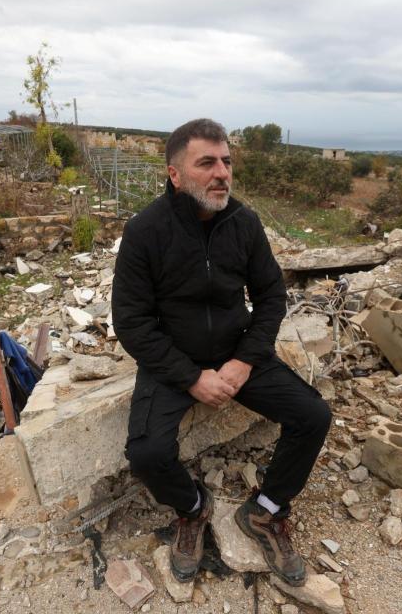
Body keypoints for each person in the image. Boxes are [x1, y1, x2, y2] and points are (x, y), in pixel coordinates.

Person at [112, 118, 332, 586]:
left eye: (227, 162)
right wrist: (191, 377)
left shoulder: (244, 223)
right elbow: (131, 322)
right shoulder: (145, 231)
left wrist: (245, 359)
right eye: (207, 163)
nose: (222, 174)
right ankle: (193, 509)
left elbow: (271, 296)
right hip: (174, 360)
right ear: (175, 174)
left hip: (238, 353)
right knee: (148, 454)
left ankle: (266, 511)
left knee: (313, 416)